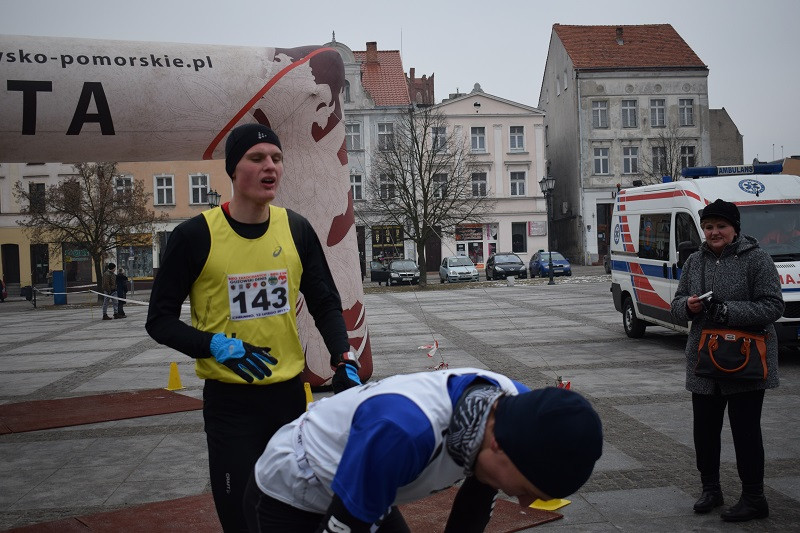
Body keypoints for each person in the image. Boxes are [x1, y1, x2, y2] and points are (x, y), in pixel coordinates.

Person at [145, 123, 361, 533]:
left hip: (288, 401)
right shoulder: (194, 236)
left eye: (277, 159)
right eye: (257, 158)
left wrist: (342, 356)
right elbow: (159, 321)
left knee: (295, 517)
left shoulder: (296, 229)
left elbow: (325, 303)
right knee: (243, 520)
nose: (271, 167)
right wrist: (214, 345)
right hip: (231, 406)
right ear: (233, 169)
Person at [243, 368, 603, 533]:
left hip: (369, 473)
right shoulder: (403, 433)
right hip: (295, 485)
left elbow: (473, 507)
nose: (523, 505)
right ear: (499, 445)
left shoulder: (515, 410)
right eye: (528, 490)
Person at [670, 199, 784, 522]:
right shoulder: (694, 261)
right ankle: (711, 489)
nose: (714, 232)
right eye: (708, 227)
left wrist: (729, 311)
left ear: (735, 229)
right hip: (705, 363)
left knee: (746, 432)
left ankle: (754, 497)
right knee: (704, 433)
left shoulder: (757, 259)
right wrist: (687, 307)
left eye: (721, 226)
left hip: (746, 364)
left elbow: (774, 306)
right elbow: (676, 303)